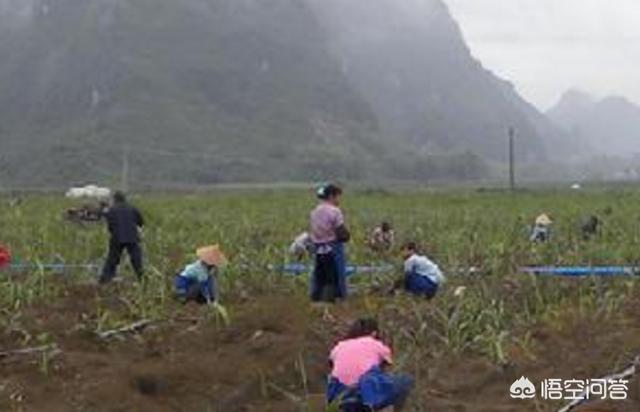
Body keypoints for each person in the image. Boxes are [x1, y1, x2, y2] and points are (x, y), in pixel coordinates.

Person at [327, 318, 413, 411]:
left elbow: (332, 364)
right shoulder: (375, 344)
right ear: (374, 333)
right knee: (405, 380)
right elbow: (387, 364)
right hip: (365, 393)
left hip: (340, 395)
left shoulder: (339, 346)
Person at [309, 183, 351, 302]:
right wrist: (347, 235)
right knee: (334, 275)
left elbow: (314, 231)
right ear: (332, 196)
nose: (339, 200)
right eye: (338, 196)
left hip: (318, 247)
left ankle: (316, 298)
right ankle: (332, 299)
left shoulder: (314, 211)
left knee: (319, 275)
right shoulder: (334, 211)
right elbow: (341, 232)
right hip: (332, 247)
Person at [99, 191, 144, 284]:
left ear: (115, 199)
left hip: (117, 237)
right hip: (132, 237)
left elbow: (110, 225)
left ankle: (105, 280)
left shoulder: (112, 210)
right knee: (136, 260)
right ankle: (142, 279)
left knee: (112, 259)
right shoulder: (132, 208)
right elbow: (140, 222)